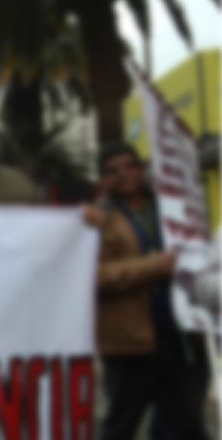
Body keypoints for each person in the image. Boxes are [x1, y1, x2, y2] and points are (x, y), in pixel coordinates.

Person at [89, 143, 210, 440]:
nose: (122, 174)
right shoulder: (97, 220)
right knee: (120, 427)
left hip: (182, 336)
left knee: (189, 424)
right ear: (103, 180)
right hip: (131, 343)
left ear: (141, 169)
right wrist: (153, 267)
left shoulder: (172, 210)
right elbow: (96, 276)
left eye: (129, 166)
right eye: (112, 171)